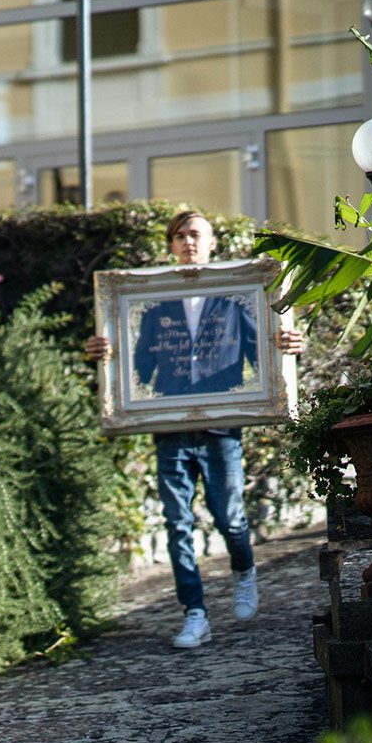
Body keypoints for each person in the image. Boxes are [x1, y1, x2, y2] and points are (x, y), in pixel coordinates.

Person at [85, 209, 305, 650]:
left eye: (196, 234)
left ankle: (244, 570)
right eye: (181, 235)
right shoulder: (155, 304)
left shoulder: (233, 300)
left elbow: (262, 350)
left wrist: (290, 346)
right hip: (169, 426)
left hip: (223, 425)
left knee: (230, 517)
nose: (188, 241)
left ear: (212, 243)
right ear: (171, 244)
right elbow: (137, 367)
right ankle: (195, 613)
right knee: (177, 523)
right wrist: (106, 352)